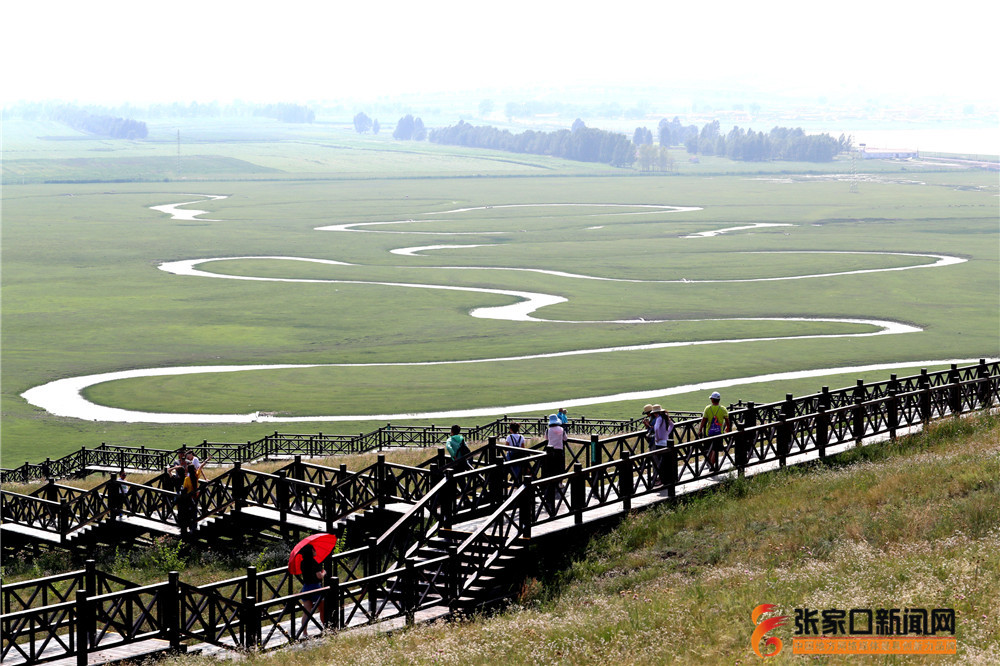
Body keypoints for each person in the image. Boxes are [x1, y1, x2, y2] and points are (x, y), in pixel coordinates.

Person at [698, 391, 732, 473]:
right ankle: (712, 464)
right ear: (719, 400)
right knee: (715, 449)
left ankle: (710, 463)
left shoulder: (708, 408)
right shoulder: (723, 409)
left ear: (712, 400)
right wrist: (728, 428)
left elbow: (704, 420)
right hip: (719, 432)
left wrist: (700, 429)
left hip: (708, 432)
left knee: (709, 448)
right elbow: (727, 420)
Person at [297, 544, 326, 636]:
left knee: (306, 611)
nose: (315, 551)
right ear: (311, 551)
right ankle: (325, 628)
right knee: (322, 609)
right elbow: (319, 576)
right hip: (316, 588)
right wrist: (324, 572)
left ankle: (304, 632)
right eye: (314, 550)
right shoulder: (314, 562)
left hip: (306, 587)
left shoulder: (302, 563)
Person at [544, 414, 567, 512]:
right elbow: (565, 439)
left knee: (551, 468)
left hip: (550, 452)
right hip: (560, 451)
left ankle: (551, 483)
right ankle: (560, 483)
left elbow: (546, 439)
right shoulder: (562, 429)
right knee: (560, 467)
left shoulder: (548, 430)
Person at [648, 405, 674, 487]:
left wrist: (658, 438)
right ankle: (668, 479)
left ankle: (662, 480)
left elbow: (656, 429)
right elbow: (672, 425)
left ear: (655, 413)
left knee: (660, 463)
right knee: (666, 462)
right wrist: (667, 433)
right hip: (666, 441)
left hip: (659, 443)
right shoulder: (665, 417)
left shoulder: (659, 418)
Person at [179, 464, 199, 536]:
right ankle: (194, 527)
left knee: (189, 513)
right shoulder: (196, 476)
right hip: (195, 497)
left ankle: (189, 527)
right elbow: (200, 468)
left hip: (189, 498)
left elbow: (185, 487)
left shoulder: (187, 479)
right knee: (195, 513)